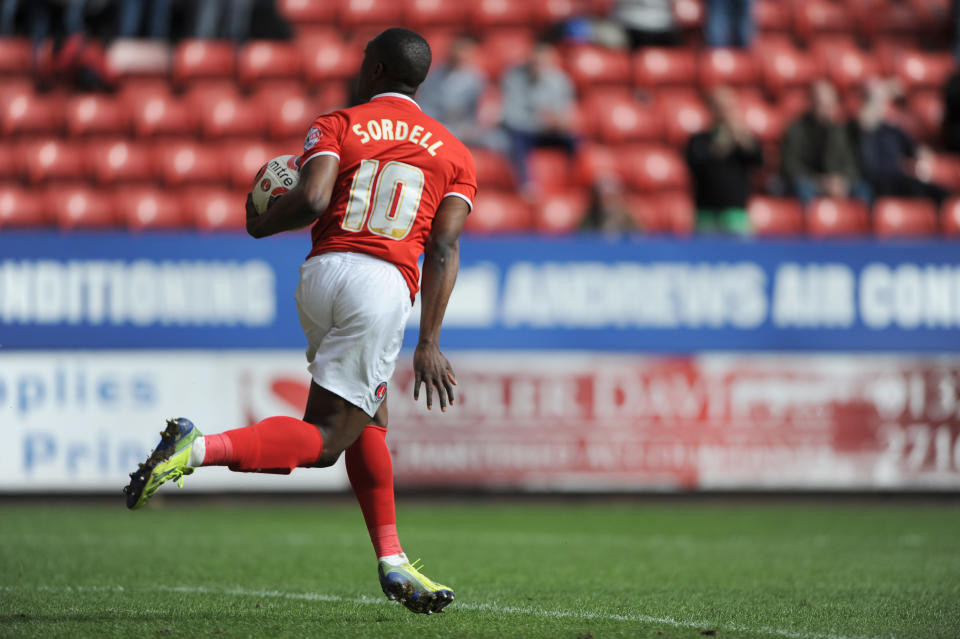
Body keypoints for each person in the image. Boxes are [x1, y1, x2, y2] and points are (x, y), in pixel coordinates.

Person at [123, 27, 477, 616]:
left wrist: (263, 224)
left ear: (376, 73)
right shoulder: (456, 154)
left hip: (322, 273)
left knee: (370, 415)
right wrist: (430, 341)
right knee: (330, 439)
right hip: (381, 282)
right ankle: (198, 447)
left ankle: (393, 560)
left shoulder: (338, 122)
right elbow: (443, 249)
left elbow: (313, 198)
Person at [848, 78, 948, 206]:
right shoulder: (862, 128)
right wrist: (882, 93)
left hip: (897, 178)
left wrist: (922, 162)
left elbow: (919, 151)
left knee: (941, 194)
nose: (879, 104)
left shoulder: (892, 130)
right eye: (873, 100)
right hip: (875, 180)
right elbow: (865, 122)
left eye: (881, 101)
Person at [501, 41, 577, 192]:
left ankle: (573, 183)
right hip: (524, 131)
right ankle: (526, 184)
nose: (538, 66)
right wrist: (539, 122)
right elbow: (510, 116)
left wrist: (559, 121)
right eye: (535, 61)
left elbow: (567, 114)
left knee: (575, 141)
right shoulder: (513, 77)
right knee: (515, 141)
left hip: (550, 132)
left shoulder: (560, 80)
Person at [685, 86, 762, 234]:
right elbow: (695, 165)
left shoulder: (744, 139)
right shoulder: (699, 140)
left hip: (736, 214)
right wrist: (719, 147)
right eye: (719, 107)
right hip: (706, 214)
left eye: (728, 107)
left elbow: (758, 162)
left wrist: (742, 137)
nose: (724, 111)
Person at [780, 79, 870, 206]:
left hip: (835, 183)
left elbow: (851, 166)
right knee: (802, 190)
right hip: (809, 183)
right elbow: (790, 167)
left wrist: (842, 182)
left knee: (863, 190)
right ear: (812, 103)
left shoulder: (839, 131)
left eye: (830, 104)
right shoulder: (796, 129)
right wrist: (821, 182)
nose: (826, 109)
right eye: (821, 104)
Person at [418, 35, 504, 150]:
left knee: (499, 140)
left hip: (467, 128)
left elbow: (480, 112)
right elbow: (426, 108)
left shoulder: (476, 77)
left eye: (466, 51)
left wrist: (474, 126)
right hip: (442, 125)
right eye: (459, 51)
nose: (461, 55)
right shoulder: (433, 76)